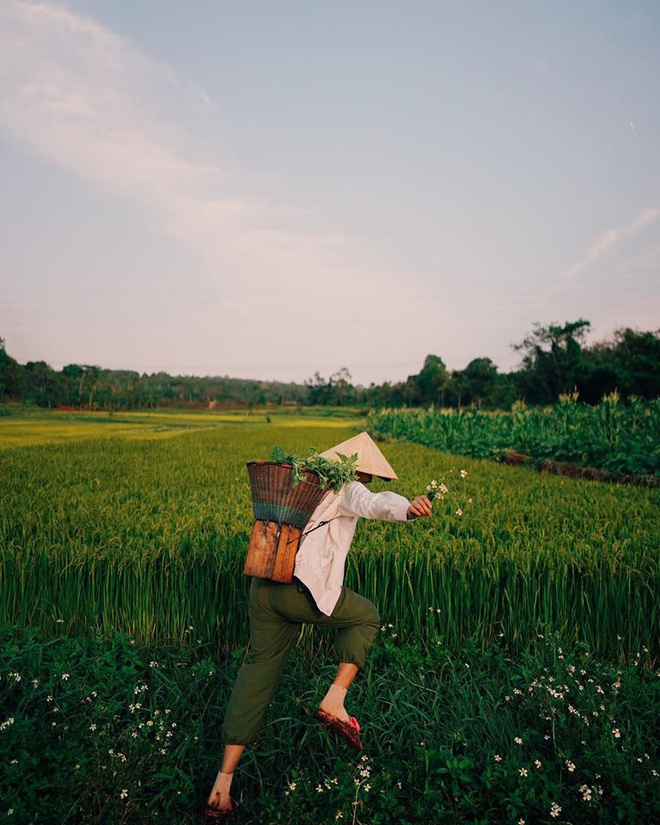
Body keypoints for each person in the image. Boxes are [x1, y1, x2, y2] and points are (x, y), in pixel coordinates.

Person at [204, 432, 432, 821]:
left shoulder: (298, 484)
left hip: (264, 585)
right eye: (368, 476)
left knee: (256, 673)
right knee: (366, 616)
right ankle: (335, 700)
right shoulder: (346, 487)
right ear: (357, 470)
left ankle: (221, 787)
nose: (367, 483)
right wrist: (407, 509)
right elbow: (371, 502)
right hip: (300, 589)